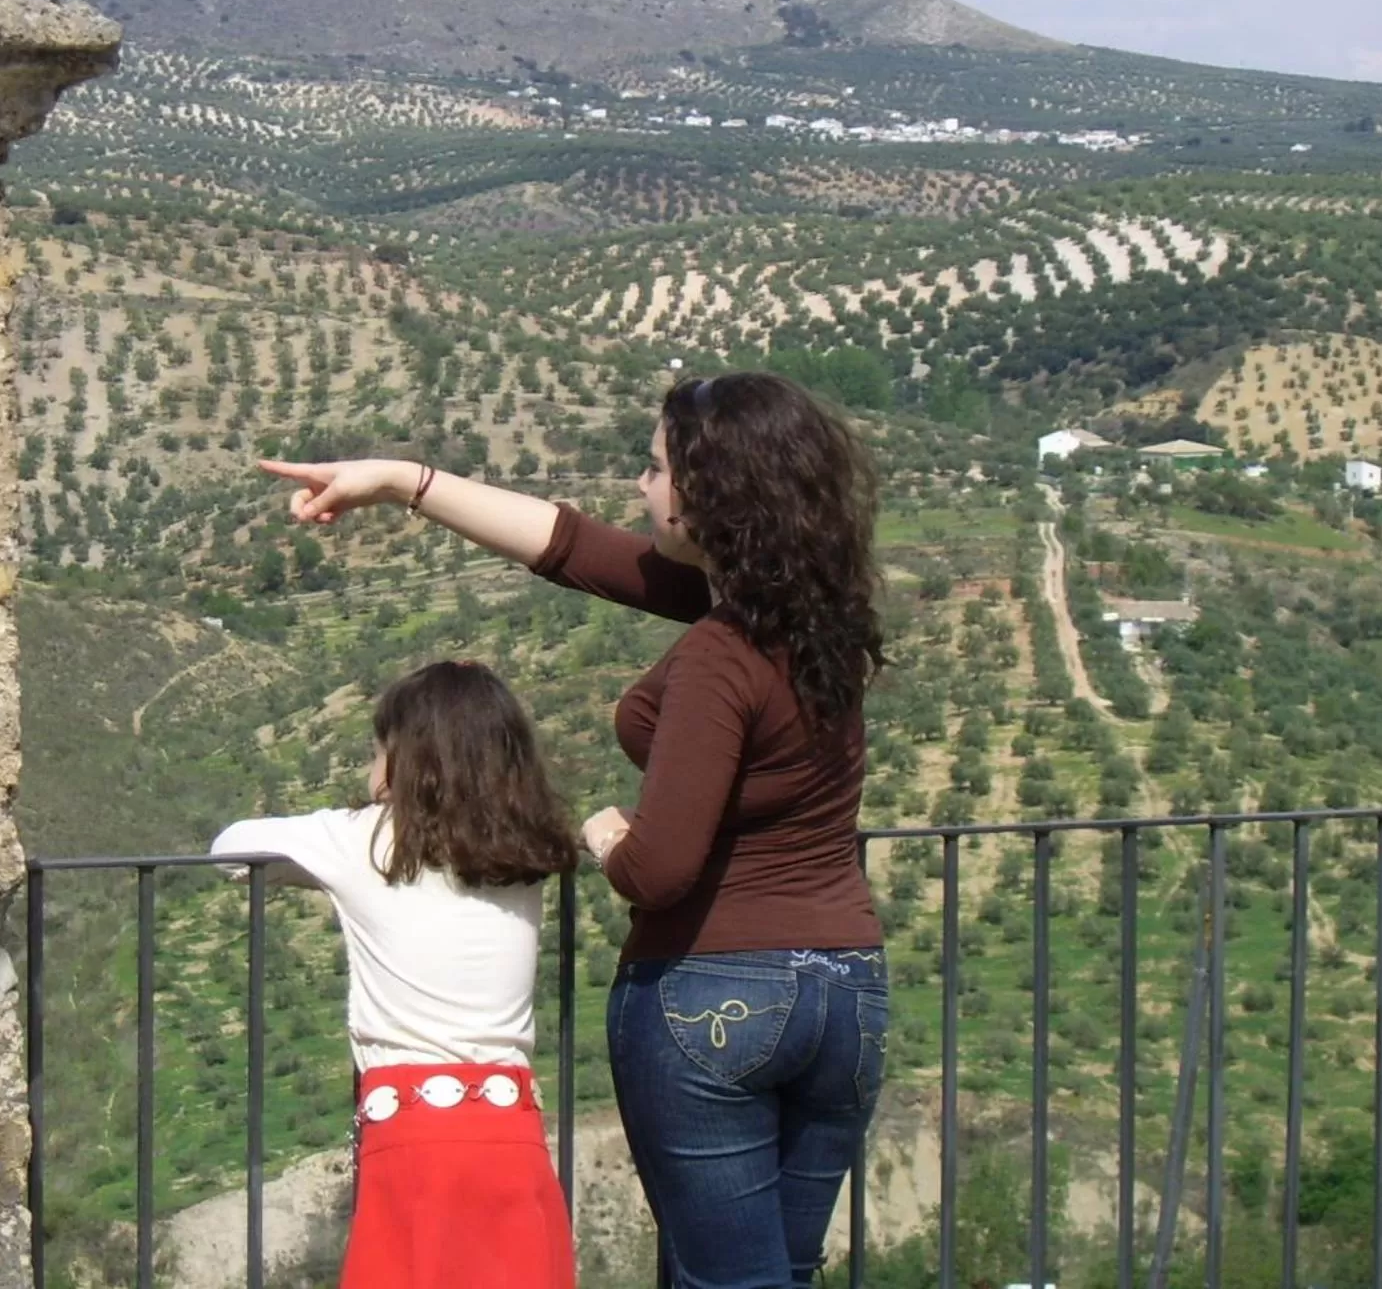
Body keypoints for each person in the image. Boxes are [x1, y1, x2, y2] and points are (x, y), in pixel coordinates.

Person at [259, 371, 888, 1289]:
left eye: (656, 468)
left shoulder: (720, 650)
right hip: (850, 990)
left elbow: (660, 868)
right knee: (785, 1271)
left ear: (709, 496)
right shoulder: (819, 613)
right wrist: (404, 481)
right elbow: (572, 548)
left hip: (717, 995)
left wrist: (604, 833)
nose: (642, 488)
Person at [210, 660, 578, 1289]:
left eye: (376, 752)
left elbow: (229, 851)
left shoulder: (364, 841)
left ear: (404, 761)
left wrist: (337, 846)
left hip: (414, 1136)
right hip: (512, 1130)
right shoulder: (527, 850)